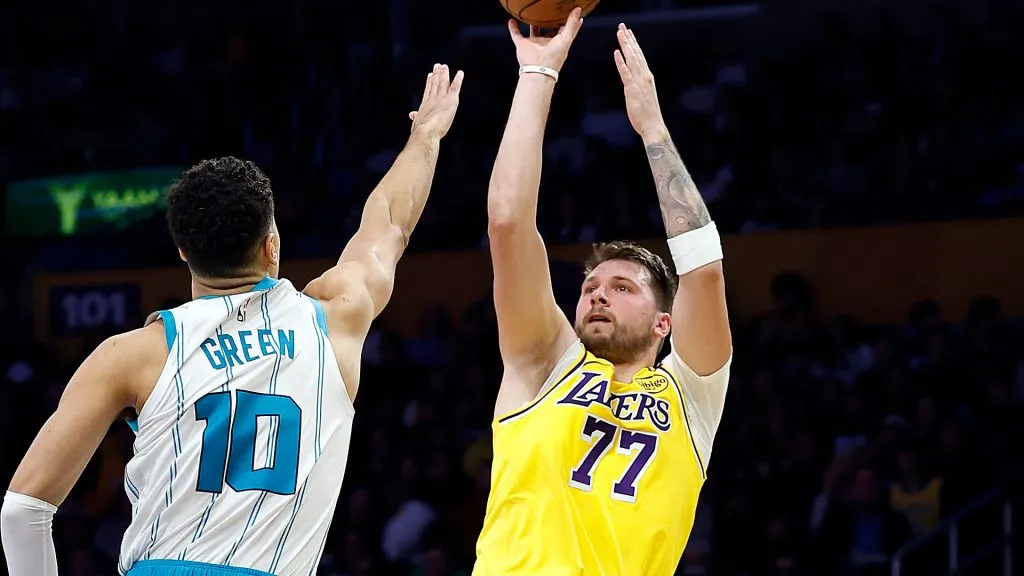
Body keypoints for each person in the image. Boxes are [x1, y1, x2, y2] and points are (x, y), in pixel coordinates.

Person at [0, 64, 464, 576]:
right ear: (271, 245)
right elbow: (390, 223)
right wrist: (425, 138)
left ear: (182, 251)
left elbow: (23, 509)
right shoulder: (334, 319)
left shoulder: (132, 354)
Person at [475, 10, 731, 575]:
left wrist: (654, 132)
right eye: (590, 287)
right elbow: (508, 223)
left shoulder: (692, 398)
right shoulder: (546, 364)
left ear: (665, 323)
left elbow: (704, 272)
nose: (597, 296)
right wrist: (537, 75)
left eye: (621, 287)